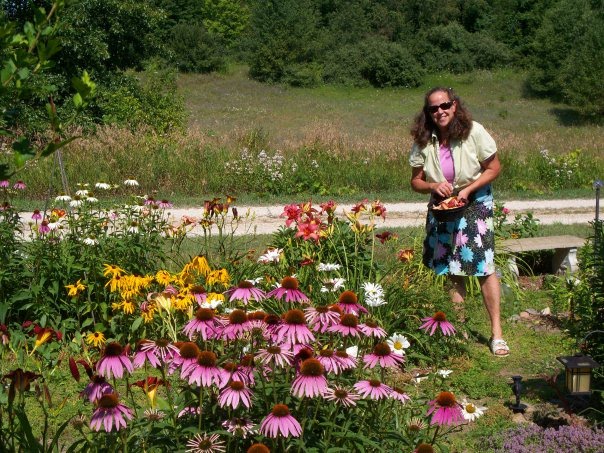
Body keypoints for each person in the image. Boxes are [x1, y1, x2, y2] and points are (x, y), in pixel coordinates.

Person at [408, 87, 509, 357]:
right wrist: (433, 185)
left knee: (483, 266)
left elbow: (494, 167)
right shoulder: (423, 140)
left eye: (445, 105)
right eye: (433, 108)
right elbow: (415, 181)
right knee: (452, 267)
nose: (440, 111)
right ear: (427, 113)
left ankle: (497, 333)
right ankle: (459, 331)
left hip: (474, 200)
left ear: (454, 105)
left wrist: (467, 190)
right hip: (443, 206)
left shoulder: (474, 131)